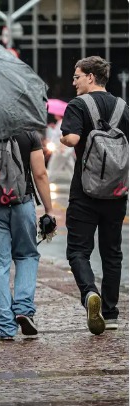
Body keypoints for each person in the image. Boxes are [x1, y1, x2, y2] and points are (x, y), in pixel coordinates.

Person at [60, 56, 129, 335]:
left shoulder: (78, 105)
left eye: (76, 77)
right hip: (116, 192)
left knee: (78, 250)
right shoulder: (122, 107)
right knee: (112, 253)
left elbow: (73, 139)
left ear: (90, 77)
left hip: (84, 192)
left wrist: (64, 137)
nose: (73, 82)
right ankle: (110, 313)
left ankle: (90, 292)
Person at [0, 131, 55, 340]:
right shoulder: (29, 134)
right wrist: (49, 210)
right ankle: (24, 309)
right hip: (23, 203)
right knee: (27, 256)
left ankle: (5, 327)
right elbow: (40, 174)